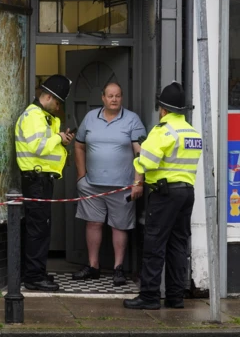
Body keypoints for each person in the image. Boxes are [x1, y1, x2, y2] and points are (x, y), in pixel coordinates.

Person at [123, 82, 202, 310]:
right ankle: (175, 297)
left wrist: (138, 156)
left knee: (154, 244)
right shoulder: (192, 132)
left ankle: (149, 296)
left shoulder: (163, 131)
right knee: (178, 246)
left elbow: (147, 162)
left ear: (163, 109)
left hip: (165, 194)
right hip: (187, 193)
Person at [72, 82, 146, 286]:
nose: (114, 99)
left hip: (122, 186)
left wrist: (138, 182)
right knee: (93, 223)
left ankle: (118, 269)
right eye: (110, 96)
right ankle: (93, 266)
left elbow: (141, 153)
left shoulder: (132, 120)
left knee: (119, 226)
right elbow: (78, 146)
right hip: (91, 184)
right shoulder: (90, 118)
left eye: (118, 96)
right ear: (103, 98)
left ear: (122, 98)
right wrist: (81, 176)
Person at [15, 74, 74, 291]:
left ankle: (37, 272)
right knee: (37, 230)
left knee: (41, 230)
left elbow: (45, 147)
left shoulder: (43, 117)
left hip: (42, 181)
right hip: (35, 181)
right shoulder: (33, 116)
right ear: (48, 97)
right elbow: (37, 147)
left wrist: (60, 139)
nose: (58, 108)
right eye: (57, 102)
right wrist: (59, 138)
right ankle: (32, 277)